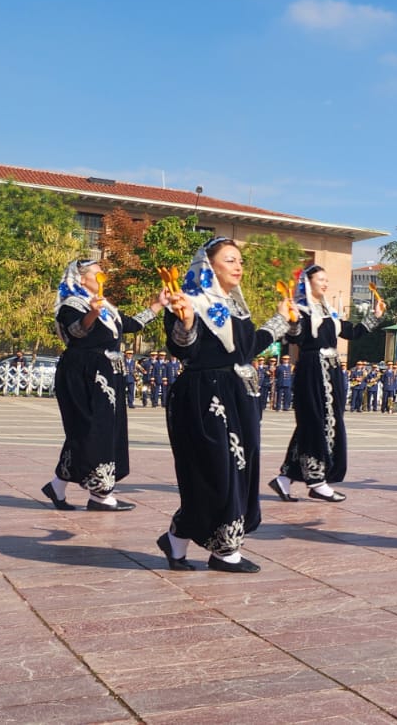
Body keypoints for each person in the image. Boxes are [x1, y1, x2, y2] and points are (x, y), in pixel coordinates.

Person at [157, 237, 293, 573]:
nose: (238, 266)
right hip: (204, 397)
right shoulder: (189, 300)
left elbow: (245, 350)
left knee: (238, 472)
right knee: (217, 473)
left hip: (238, 396)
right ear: (209, 266)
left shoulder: (234, 305)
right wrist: (186, 323)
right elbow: (184, 350)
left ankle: (177, 540)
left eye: (240, 261)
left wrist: (279, 320)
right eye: (231, 260)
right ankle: (224, 551)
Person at [42, 259, 163, 512]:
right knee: (94, 429)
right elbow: (75, 331)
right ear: (81, 278)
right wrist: (92, 314)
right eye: (97, 274)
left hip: (107, 373)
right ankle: (101, 494)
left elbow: (130, 325)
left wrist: (157, 305)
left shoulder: (106, 306)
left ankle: (58, 485)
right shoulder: (71, 305)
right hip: (84, 373)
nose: (102, 278)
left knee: (94, 429)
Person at [269, 265, 381, 505]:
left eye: (327, 279)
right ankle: (317, 481)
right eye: (321, 279)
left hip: (330, 369)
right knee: (320, 421)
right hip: (313, 368)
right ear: (308, 283)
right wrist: (292, 320)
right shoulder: (301, 310)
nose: (325, 283)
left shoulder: (327, 311)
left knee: (315, 421)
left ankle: (285, 478)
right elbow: (295, 336)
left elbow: (351, 331)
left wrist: (374, 316)